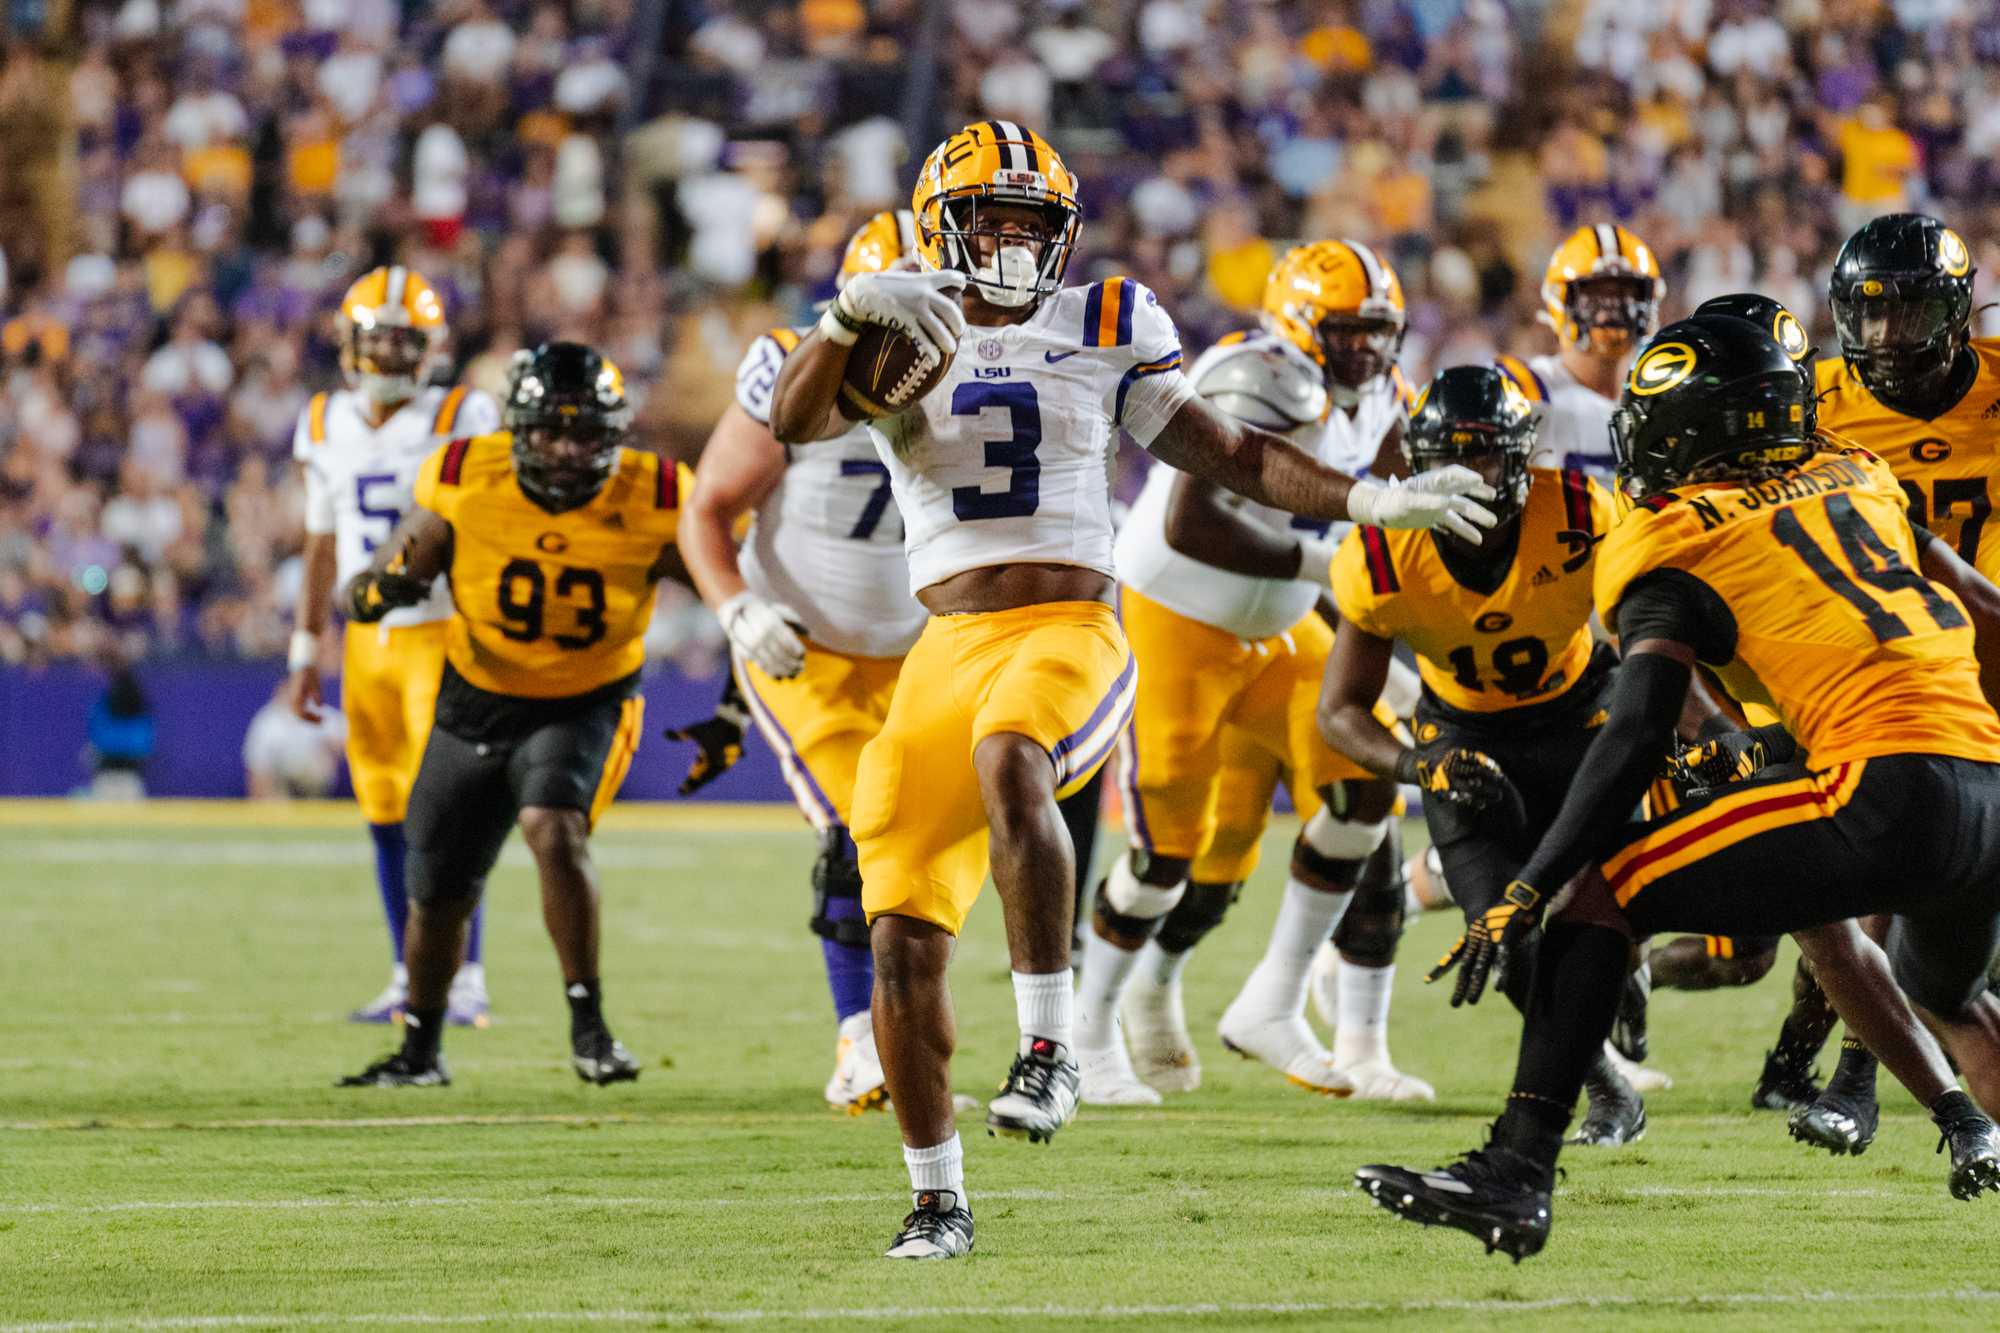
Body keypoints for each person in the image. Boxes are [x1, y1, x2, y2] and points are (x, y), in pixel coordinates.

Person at [765, 119, 1495, 1260]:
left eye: (1030, 224)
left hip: (1069, 624)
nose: (1010, 245)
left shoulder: (1105, 319)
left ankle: (1050, 1050)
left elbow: (1228, 455)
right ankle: (936, 1200)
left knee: (1014, 754)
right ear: (939, 223)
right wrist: (848, 315)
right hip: (941, 645)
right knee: (900, 930)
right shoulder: (900, 320)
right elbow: (791, 422)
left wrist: (1361, 502)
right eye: (990, 221)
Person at [1355, 316, 2000, 1261]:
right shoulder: (1856, 472)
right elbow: (1980, 613)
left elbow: (1636, 733)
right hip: (1981, 782)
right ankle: (1958, 1112)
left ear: (1693, 434)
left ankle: (1516, 1171)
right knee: (1961, 1004)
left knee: (1602, 887)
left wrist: (1532, 883)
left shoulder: (1671, 535)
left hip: (1883, 784)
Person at [1078, 240, 1429, 1108]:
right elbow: (1197, 524)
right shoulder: (1255, 375)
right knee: (1167, 856)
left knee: (1362, 788)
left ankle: (1271, 997)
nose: (1365, 350)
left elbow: (1386, 513)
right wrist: (1324, 571)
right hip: (1177, 618)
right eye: (1345, 332)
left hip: (1276, 630)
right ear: (1300, 324)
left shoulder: (1385, 393)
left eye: (1377, 332)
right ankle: (1084, 1035)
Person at [336, 342, 679, 1090]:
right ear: (516, 431)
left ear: (614, 433)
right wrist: (374, 590)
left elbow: (725, 573)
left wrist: (740, 678)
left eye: (585, 433)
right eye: (549, 432)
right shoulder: (465, 473)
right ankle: (420, 1051)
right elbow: (401, 562)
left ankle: (590, 1027)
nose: (564, 450)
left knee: (551, 824)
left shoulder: (657, 491)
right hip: (476, 695)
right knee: (436, 887)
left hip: (586, 697)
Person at [1319, 363, 1644, 1146]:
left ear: (1523, 456)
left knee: (1631, 888)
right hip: (1463, 739)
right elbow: (1340, 710)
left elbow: (1646, 641)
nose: (1468, 475)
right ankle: (1604, 1085)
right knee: (1499, 931)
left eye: (1488, 456)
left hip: (1578, 718)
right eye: (1448, 458)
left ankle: (1625, 964)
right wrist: (1414, 766)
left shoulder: (1582, 515)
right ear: (1417, 463)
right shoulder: (1384, 552)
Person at [674, 210, 930, 1114]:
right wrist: (737, 610)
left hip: (922, 651)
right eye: (892, 313)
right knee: (861, 830)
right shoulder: (787, 368)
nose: (915, 336)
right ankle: (860, 1043)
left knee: (927, 850)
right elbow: (704, 510)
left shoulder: (984, 372)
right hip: (807, 651)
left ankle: (900, 1037)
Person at [1778, 213, 2000, 1147]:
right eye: (1867, 317)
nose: (1885, 339)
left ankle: (1837, 1068)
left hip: (1988, 652)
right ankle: (1850, 1074)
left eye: (1907, 313)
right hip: (1883, 662)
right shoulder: (1812, 402)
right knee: (1880, 866)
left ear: (1954, 312)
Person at [287, 266, 501, 1027]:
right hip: (366, 643)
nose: (389, 357)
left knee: (446, 815)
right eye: (375, 342)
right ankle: (408, 974)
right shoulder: (321, 421)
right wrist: (304, 648)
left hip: (443, 631)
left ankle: (465, 974)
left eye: (403, 343)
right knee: (382, 809)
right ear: (348, 343)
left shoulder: (461, 410)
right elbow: (321, 543)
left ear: (431, 348)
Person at [1495, 223, 1665, 481]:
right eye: (1594, 295)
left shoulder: (1666, 393)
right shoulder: (1523, 389)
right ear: (1559, 300)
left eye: (1626, 292)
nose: (1611, 309)